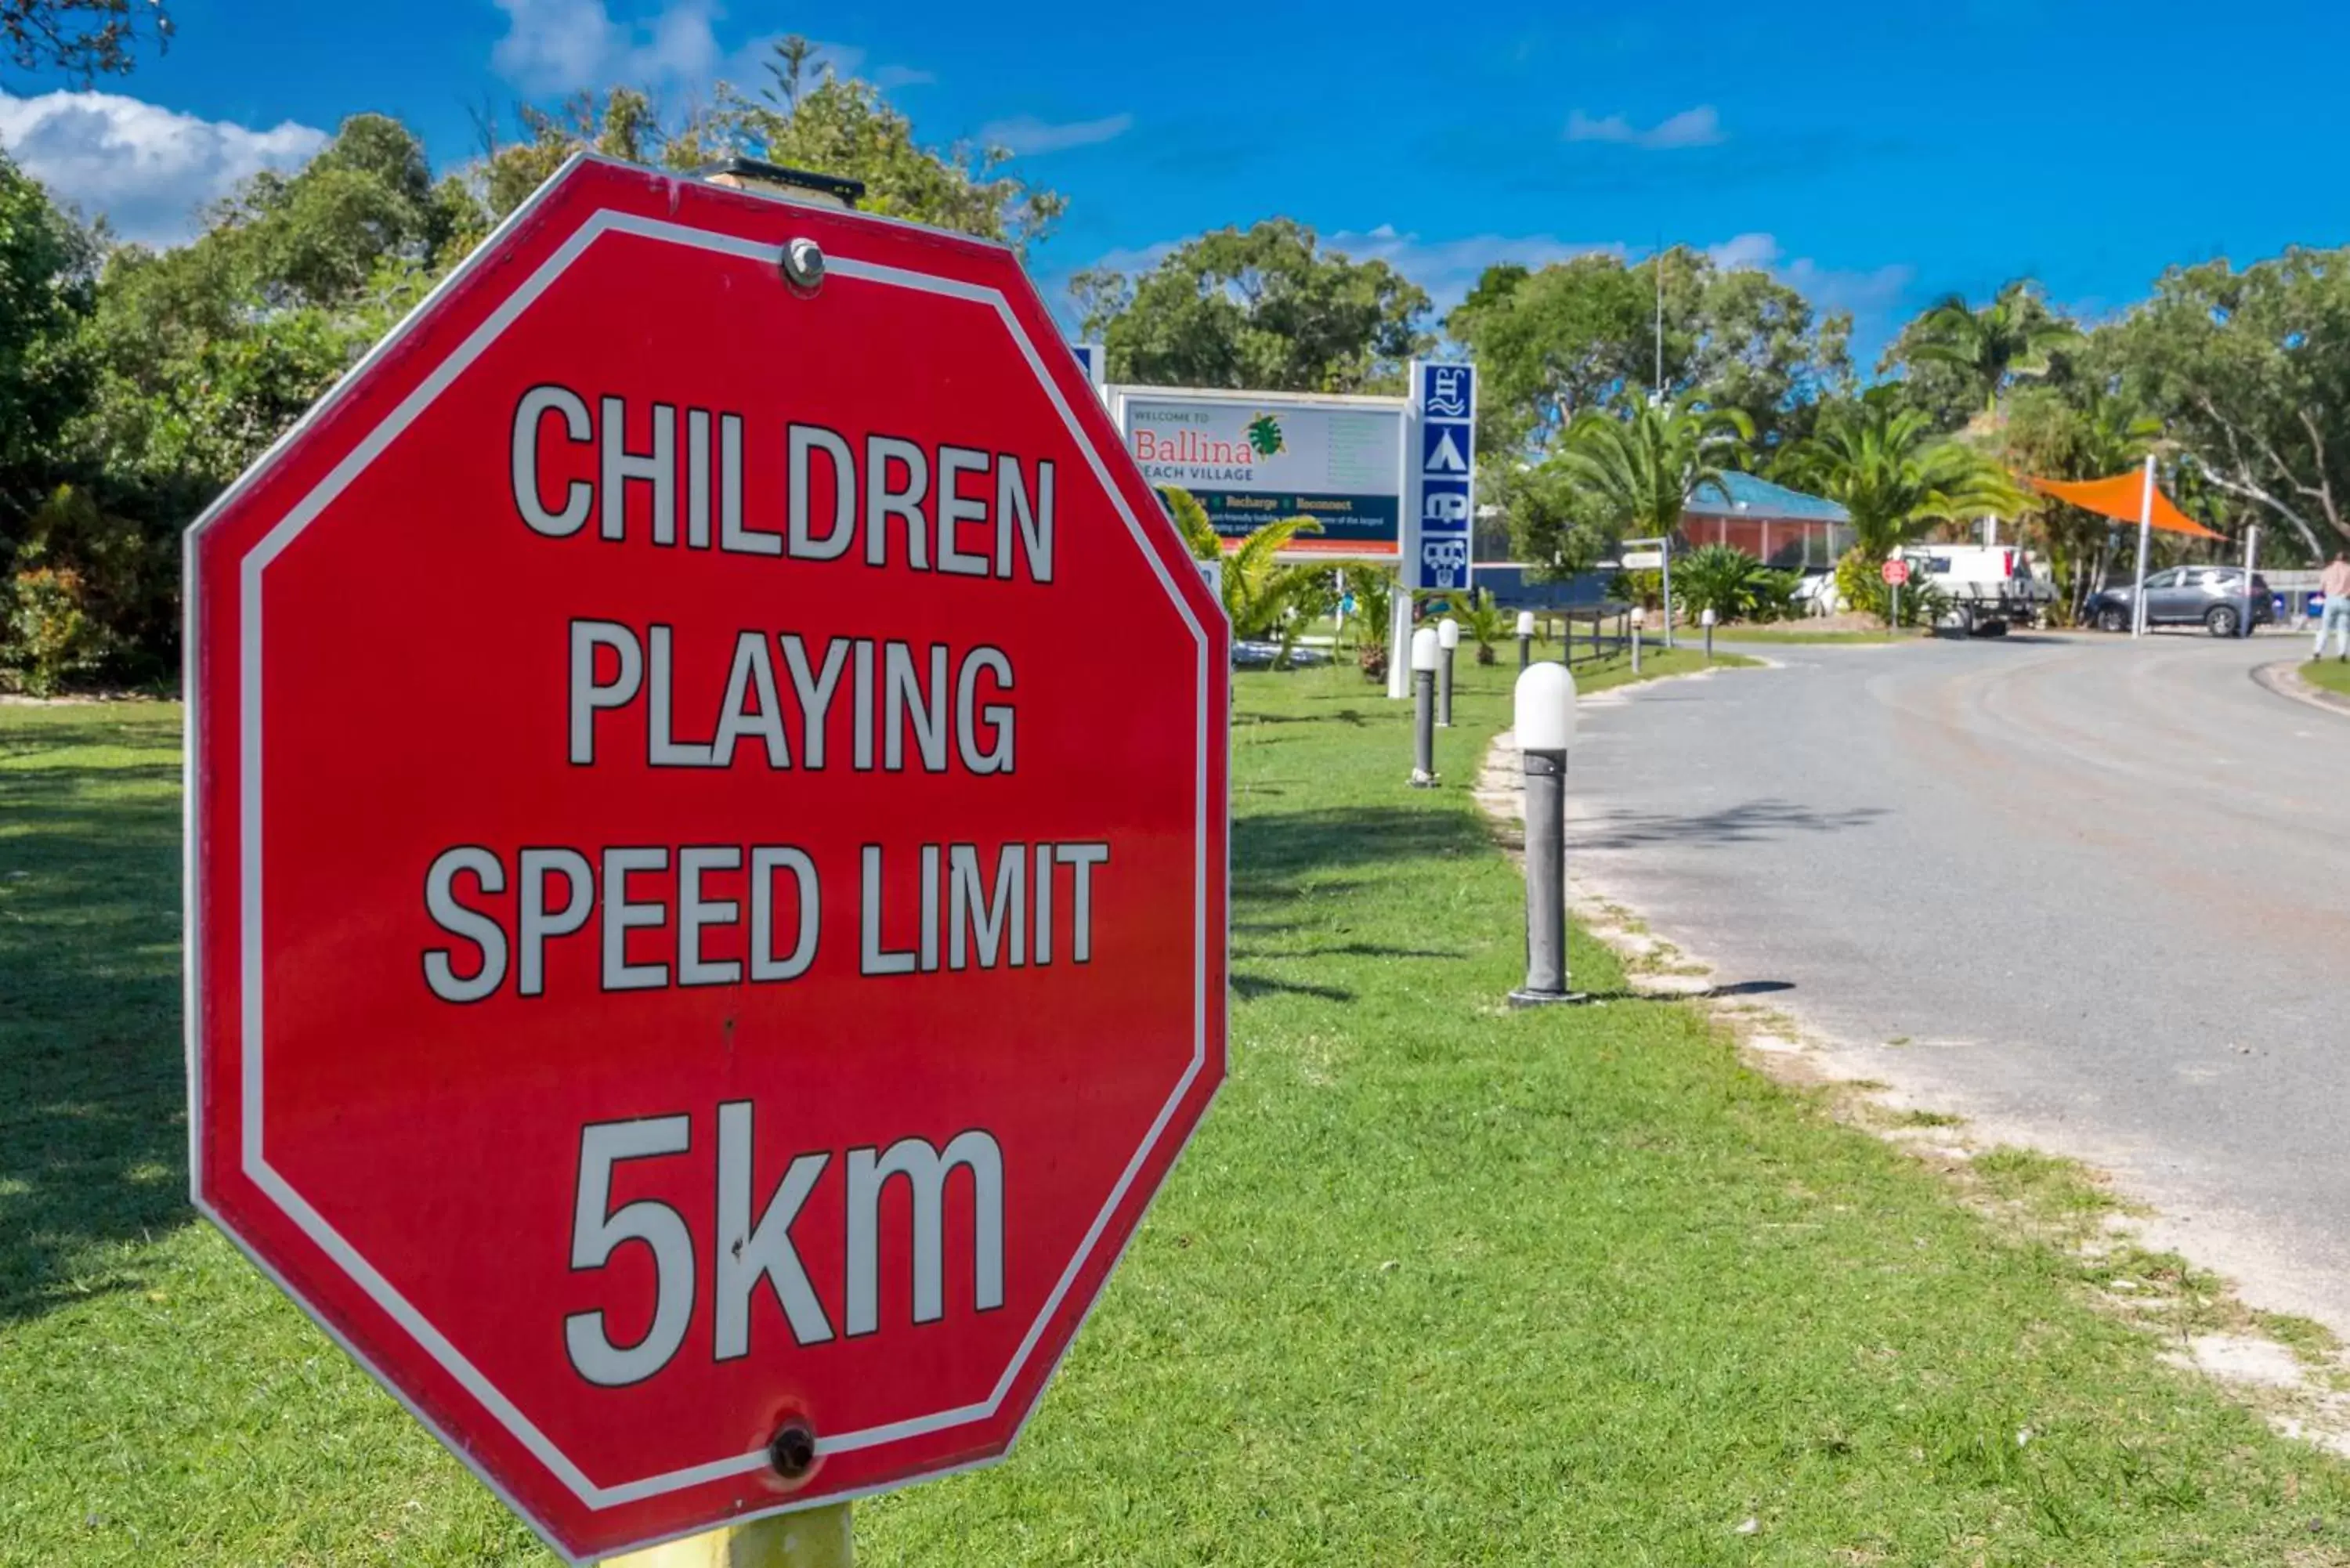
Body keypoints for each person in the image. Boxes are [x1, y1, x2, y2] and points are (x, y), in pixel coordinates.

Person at [2316, 551, 2350, 660]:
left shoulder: (2328, 570)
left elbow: (2321, 588)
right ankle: (2342, 653)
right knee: (2343, 629)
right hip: (2345, 600)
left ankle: (2318, 650)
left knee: (2325, 628)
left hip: (2331, 599)